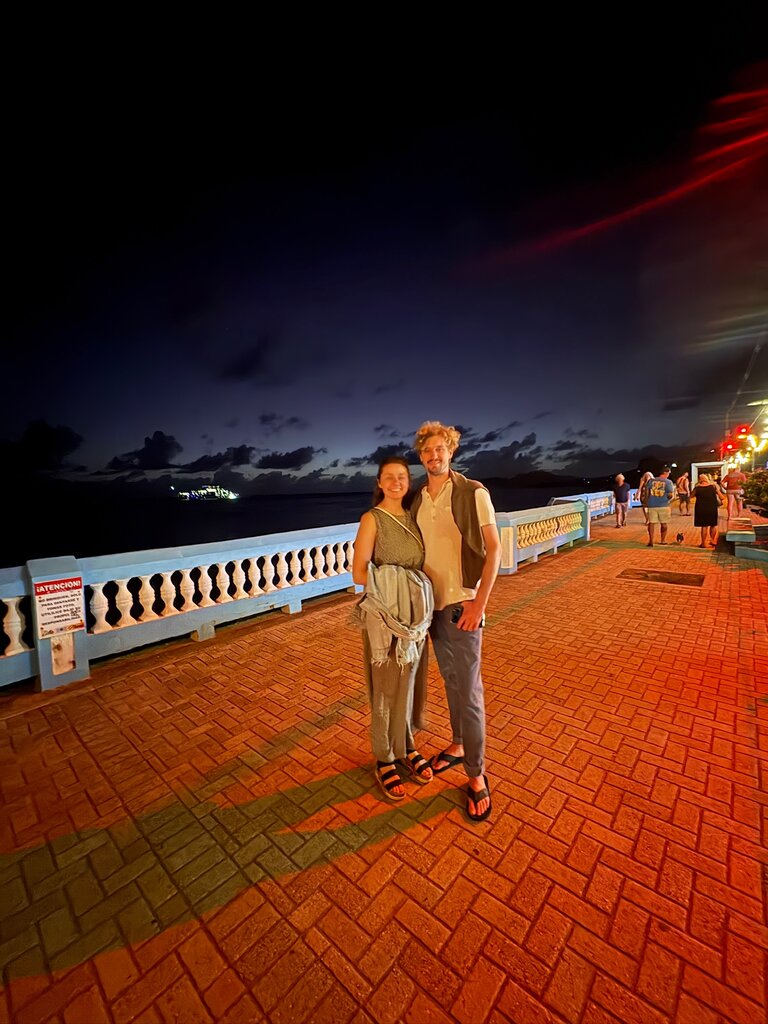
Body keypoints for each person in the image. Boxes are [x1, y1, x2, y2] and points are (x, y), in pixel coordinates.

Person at [410, 421, 501, 823]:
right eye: (427, 451)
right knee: (450, 681)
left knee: (470, 692)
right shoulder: (417, 499)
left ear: (451, 451)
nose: (434, 456)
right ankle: (460, 743)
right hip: (428, 608)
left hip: (461, 606)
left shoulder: (472, 492)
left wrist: (479, 603)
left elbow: (494, 548)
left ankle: (477, 775)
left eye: (440, 449)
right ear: (421, 456)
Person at [351, 457, 435, 801]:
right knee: (386, 688)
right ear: (380, 483)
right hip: (386, 616)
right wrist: (402, 582)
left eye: (402, 476)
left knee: (410, 683)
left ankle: (406, 745)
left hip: (414, 617)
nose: (396, 482)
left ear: (408, 481)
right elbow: (359, 573)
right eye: (389, 477)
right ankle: (384, 757)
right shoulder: (372, 519)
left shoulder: (414, 518)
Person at [645, 467, 675, 546]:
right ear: (665, 473)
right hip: (663, 505)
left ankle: (651, 540)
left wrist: (646, 502)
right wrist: (669, 498)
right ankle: (663, 540)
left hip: (652, 505)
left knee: (651, 523)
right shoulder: (668, 482)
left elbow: (646, 492)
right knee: (664, 524)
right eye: (668, 473)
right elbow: (670, 494)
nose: (668, 475)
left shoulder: (651, 481)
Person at [691, 473, 722, 548]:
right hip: (712, 507)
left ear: (700, 480)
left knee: (704, 526)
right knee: (713, 525)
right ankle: (713, 540)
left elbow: (691, 496)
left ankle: (703, 543)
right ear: (707, 479)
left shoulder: (697, 488)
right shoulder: (713, 487)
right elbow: (722, 497)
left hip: (701, 508)